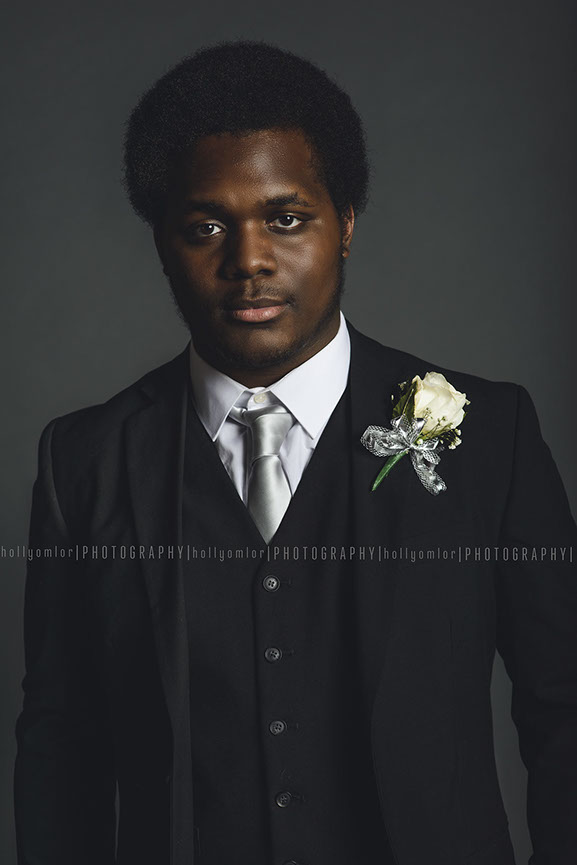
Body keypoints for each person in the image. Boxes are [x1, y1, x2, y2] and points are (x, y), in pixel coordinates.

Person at [14, 41, 577, 865]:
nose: (248, 259)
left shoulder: (491, 434)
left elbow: (563, 705)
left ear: (343, 223)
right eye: (206, 226)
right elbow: (61, 745)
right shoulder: (84, 460)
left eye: (285, 218)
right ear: (162, 242)